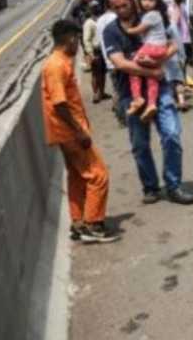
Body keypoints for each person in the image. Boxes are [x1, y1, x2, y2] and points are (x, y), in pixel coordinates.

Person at [103, 0, 193, 205]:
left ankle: (173, 185)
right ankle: (150, 186)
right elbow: (120, 63)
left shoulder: (152, 18)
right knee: (140, 144)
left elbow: (173, 45)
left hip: (160, 89)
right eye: (116, 7)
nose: (121, 10)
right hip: (131, 94)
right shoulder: (110, 31)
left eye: (124, 5)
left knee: (171, 135)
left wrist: (158, 61)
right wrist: (151, 72)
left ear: (132, 1)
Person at [41, 19, 118, 243]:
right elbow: (59, 104)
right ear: (70, 39)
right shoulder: (56, 65)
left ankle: (78, 223)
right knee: (99, 175)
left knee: (77, 177)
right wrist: (79, 132)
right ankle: (93, 224)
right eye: (77, 40)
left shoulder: (59, 62)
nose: (78, 45)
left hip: (65, 132)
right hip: (69, 132)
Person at [121, 0, 172, 121]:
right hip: (159, 49)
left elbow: (139, 30)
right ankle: (151, 104)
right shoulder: (156, 14)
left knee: (133, 69)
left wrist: (127, 30)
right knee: (151, 76)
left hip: (152, 47)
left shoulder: (152, 15)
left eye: (151, 0)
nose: (147, 3)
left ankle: (137, 98)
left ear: (157, 1)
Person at [168, 0, 192, 110]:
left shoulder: (183, 6)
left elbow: (186, 21)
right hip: (176, 40)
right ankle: (179, 93)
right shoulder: (170, 8)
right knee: (178, 66)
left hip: (185, 38)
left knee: (184, 62)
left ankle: (183, 84)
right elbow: (173, 24)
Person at [82, 1, 111, 103]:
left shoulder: (100, 20)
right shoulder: (89, 23)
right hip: (95, 51)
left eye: (97, 6)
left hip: (103, 50)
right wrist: (90, 53)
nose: (96, 8)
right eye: (94, 7)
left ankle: (102, 93)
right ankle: (95, 94)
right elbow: (86, 39)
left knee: (103, 73)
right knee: (95, 74)